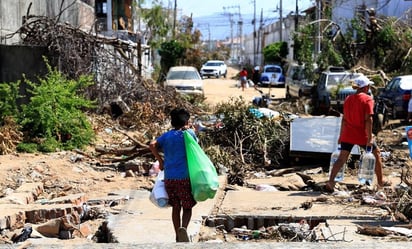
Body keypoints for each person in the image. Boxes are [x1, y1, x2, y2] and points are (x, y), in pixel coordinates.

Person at [326, 76, 387, 192]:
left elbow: (344, 119)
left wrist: (340, 136)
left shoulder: (348, 99)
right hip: (362, 134)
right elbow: (368, 120)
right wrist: (369, 137)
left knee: (341, 158)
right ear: (366, 87)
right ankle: (380, 183)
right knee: (376, 154)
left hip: (348, 134)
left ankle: (331, 181)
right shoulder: (368, 99)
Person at [149, 108, 197, 242]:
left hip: (169, 178)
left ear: (172, 122)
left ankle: (177, 235)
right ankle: (184, 229)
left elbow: (152, 145)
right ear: (187, 122)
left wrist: (160, 161)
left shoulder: (167, 136)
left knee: (176, 207)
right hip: (185, 178)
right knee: (187, 206)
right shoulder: (189, 134)